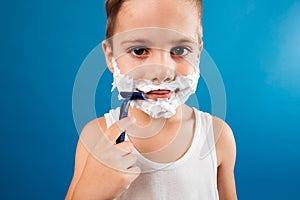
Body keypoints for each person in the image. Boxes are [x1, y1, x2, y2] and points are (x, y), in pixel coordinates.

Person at [66, 0, 237, 199]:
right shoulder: (96, 138)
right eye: (139, 51)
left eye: (180, 50)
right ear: (111, 56)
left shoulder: (217, 136)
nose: (161, 73)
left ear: (197, 54)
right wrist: (89, 191)